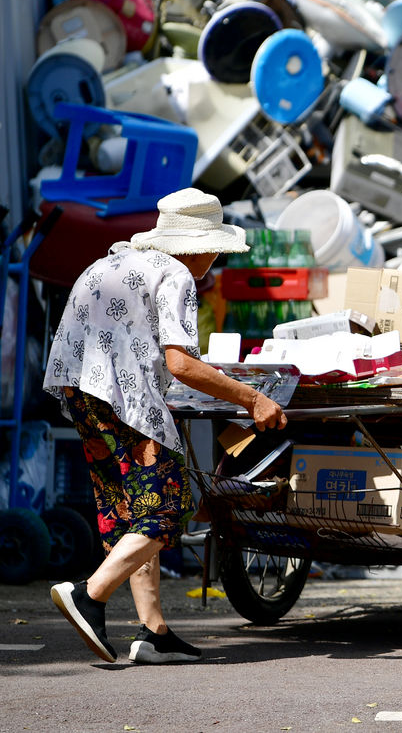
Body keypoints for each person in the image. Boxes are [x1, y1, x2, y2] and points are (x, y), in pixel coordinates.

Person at [43, 187, 286, 664]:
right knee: (170, 507)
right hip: (122, 397)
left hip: (81, 391)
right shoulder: (176, 274)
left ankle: (154, 632)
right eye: (215, 248)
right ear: (200, 245)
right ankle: (90, 595)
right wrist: (253, 398)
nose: (214, 258)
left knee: (135, 509)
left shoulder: (110, 262)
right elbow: (181, 364)